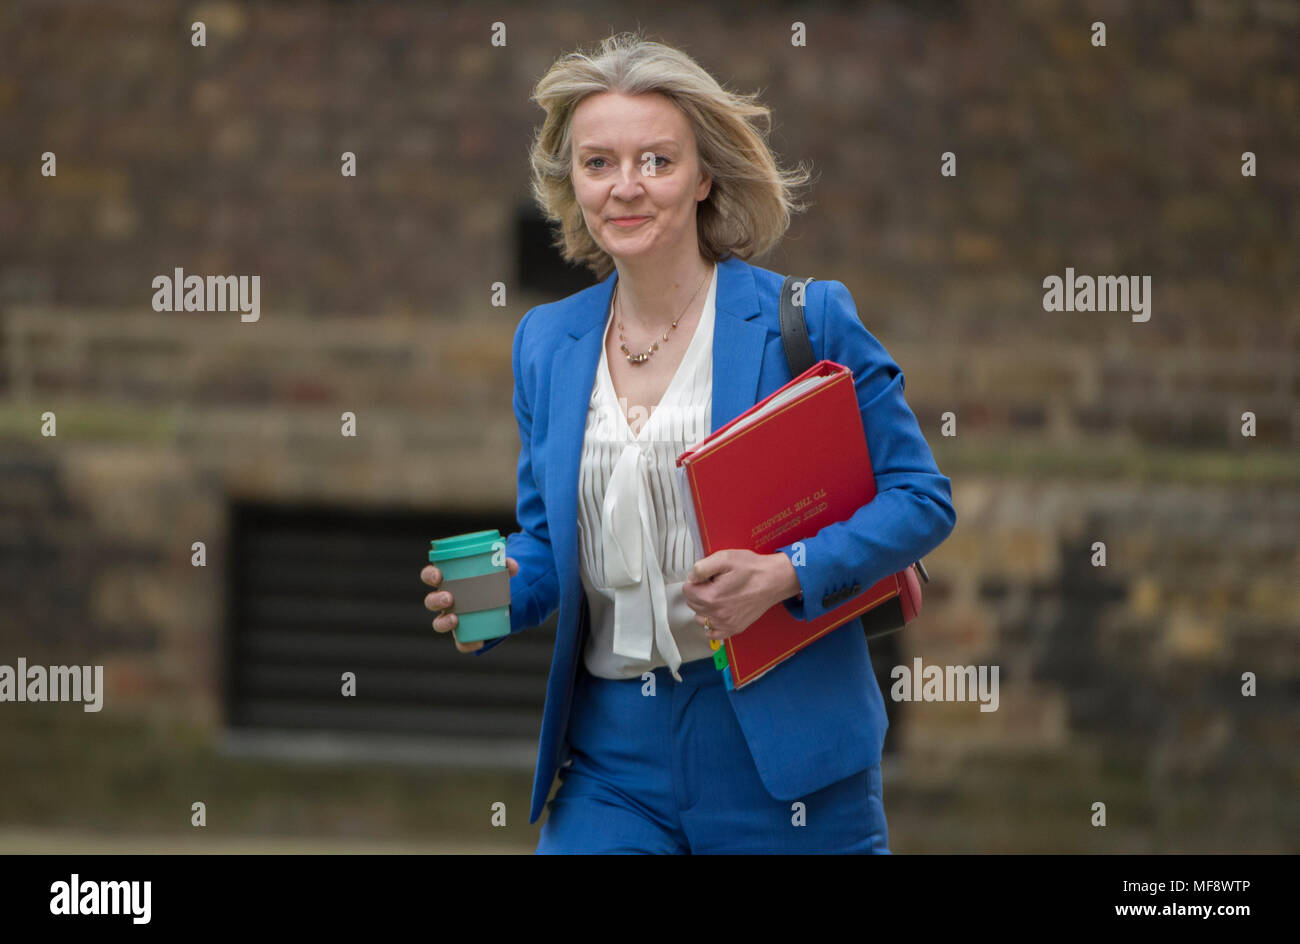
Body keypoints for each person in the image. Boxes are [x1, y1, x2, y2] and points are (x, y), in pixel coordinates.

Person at [420, 31, 955, 853]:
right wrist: (486, 596)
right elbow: (549, 543)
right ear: (575, 185)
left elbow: (921, 501)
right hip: (609, 760)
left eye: (656, 162)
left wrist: (784, 575)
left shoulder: (804, 321)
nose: (625, 188)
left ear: (705, 176)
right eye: (598, 164)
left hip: (783, 752)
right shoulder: (546, 342)